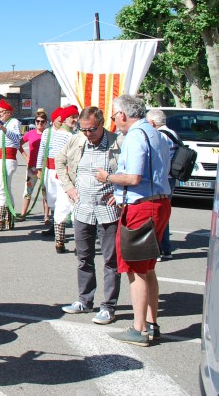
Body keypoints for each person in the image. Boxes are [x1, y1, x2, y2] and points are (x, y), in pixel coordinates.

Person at [95, 94, 172, 347]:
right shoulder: (155, 133)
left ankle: (139, 329)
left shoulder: (136, 136)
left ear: (123, 115)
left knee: (136, 269)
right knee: (148, 268)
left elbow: (133, 177)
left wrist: (108, 178)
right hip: (158, 202)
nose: (114, 120)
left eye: (114, 115)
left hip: (142, 206)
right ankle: (151, 323)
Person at [57, 106, 122, 324]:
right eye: (83, 129)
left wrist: (121, 193)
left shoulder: (118, 143)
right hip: (83, 209)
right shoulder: (77, 141)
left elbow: (132, 170)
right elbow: (60, 160)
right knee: (83, 257)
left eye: (91, 130)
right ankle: (85, 299)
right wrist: (68, 187)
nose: (87, 134)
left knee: (111, 260)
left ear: (102, 124)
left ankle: (108, 306)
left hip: (108, 211)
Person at [38, 106, 79, 252]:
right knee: (72, 206)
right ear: (64, 119)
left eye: (76, 116)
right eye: (72, 117)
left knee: (62, 205)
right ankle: (68, 242)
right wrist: (39, 168)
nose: (75, 120)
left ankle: (60, 242)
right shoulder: (70, 136)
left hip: (61, 173)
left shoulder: (72, 134)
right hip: (65, 175)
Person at [146, 108, 177, 261]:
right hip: (171, 178)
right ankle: (166, 249)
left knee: (157, 214)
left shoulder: (160, 136)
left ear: (152, 122)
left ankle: (157, 249)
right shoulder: (172, 134)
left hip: (162, 179)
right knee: (164, 213)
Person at [0, 99, 23, 231]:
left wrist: (3, 128)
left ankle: (0, 219)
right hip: (1, 160)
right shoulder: (6, 124)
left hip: (7, 159)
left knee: (2, 190)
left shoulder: (13, 123)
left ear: (8, 112)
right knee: (4, 190)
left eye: (1, 112)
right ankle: (9, 219)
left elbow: (16, 138)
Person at [19, 111, 49, 222]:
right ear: (35, 122)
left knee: (46, 193)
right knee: (27, 191)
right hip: (32, 167)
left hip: (44, 168)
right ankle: (23, 214)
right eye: (37, 121)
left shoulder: (48, 134)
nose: (40, 124)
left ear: (46, 122)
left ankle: (46, 216)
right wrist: (26, 158)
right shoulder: (30, 134)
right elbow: (19, 145)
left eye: (42, 121)